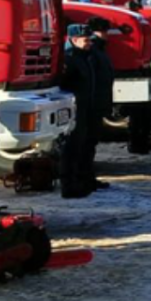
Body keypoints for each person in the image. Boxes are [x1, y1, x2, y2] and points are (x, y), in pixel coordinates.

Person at [59, 24, 97, 197]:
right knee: (72, 149)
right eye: (86, 40)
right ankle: (69, 186)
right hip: (74, 111)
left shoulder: (84, 57)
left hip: (86, 108)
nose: (90, 43)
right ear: (74, 40)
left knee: (84, 147)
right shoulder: (70, 58)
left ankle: (82, 181)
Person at [86, 17, 114, 188]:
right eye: (105, 31)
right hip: (92, 103)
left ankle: (89, 177)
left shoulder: (98, 49)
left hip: (98, 102)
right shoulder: (94, 50)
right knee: (87, 143)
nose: (107, 35)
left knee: (92, 142)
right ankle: (86, 178)